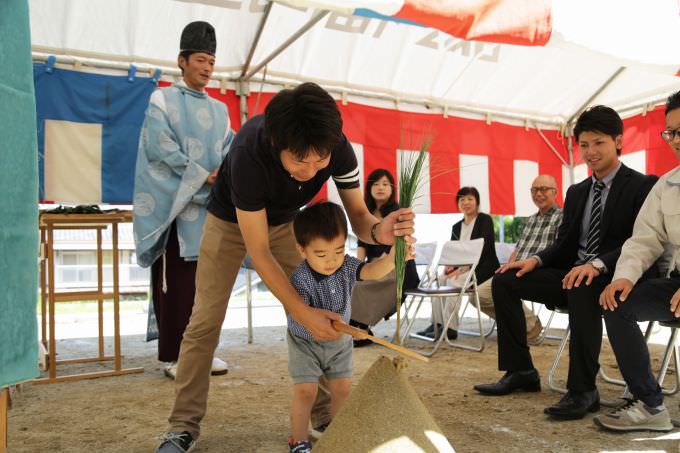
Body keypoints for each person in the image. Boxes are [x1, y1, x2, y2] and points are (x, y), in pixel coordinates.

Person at [155, 82, 415, 453]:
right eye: (299, 160)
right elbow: (258, 252)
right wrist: (301, 312)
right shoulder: (249, 151)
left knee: (326, 299)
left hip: (288, 225)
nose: (311, 169)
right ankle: (182, 426)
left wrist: (379, 230)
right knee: (206, 319)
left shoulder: (336, 146)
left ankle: (323, 414)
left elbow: (358, 215)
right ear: (278, 145)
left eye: (319, 159)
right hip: (230, 222)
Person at [474, 106, 658, 422]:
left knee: (582, 284)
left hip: (618, 275)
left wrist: (598, 264)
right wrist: (536, 259)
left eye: (598, 143)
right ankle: (521, 371)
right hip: (575, 274)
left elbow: (639, 243)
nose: (590, 152)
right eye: (584, 145)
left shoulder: (643, 186)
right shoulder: (577, 192)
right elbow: (565, 245)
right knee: (505, 279)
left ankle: (583, 389)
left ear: (617, 141)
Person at [133, 21, 230, 380]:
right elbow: (159, 148)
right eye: (201, 60)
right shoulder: (162, 99)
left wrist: (221, 173)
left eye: (212, 62)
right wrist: (201, 174)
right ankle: (176, 356)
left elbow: (227, 150)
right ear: (182, 60)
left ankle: (205, 353)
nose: (207, 68)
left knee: (209, 285)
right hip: (174, 208)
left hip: (207, 211)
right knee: (177, 284)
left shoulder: (220, 111)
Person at [286, 202, 412, 453]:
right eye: (321, 254)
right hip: (305, 343)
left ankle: (338, 434)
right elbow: (299, 315)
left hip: (339, 344)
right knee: (306, 391)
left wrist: (394, 257)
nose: (331, 260)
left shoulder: (347, 266)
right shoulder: (299, 278)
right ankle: (298, 441)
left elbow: (373, 272)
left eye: (339, 250)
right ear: (302, 250)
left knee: (342, 389)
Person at [593, 91, 680, 432]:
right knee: (617, 304)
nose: (674, 140)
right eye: (671, 132)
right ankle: (650, 405)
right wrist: (624, 277)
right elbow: (646, 238)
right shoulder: (667, 185)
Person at [417, 179, 558, 342]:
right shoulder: (456, 226)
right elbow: (454, 252)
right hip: (464, 269)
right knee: (440, 280)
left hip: (482, 268)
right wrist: (451, 267)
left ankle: (450, 327)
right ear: (457, 203)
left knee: (454, 283)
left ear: (477, 202)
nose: (466, 202)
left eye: (470, 199)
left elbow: (484, 250)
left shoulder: (484, 220)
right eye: (462, 199)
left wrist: (463, 268)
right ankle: (437, 323)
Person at [349, 169, 420, 347]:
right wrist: (359, 268)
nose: (380, 187)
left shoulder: (398, 212)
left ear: (392, 188)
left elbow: (402, 244)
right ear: (369, 187)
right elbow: (361, 244)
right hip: (374, 266)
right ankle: (356, 328)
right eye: (376, 183)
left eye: (385, 184)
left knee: (362, 286)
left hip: (398, 267)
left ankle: (361, 327)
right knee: (353, 281)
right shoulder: (364, 213)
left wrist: (384, 260)